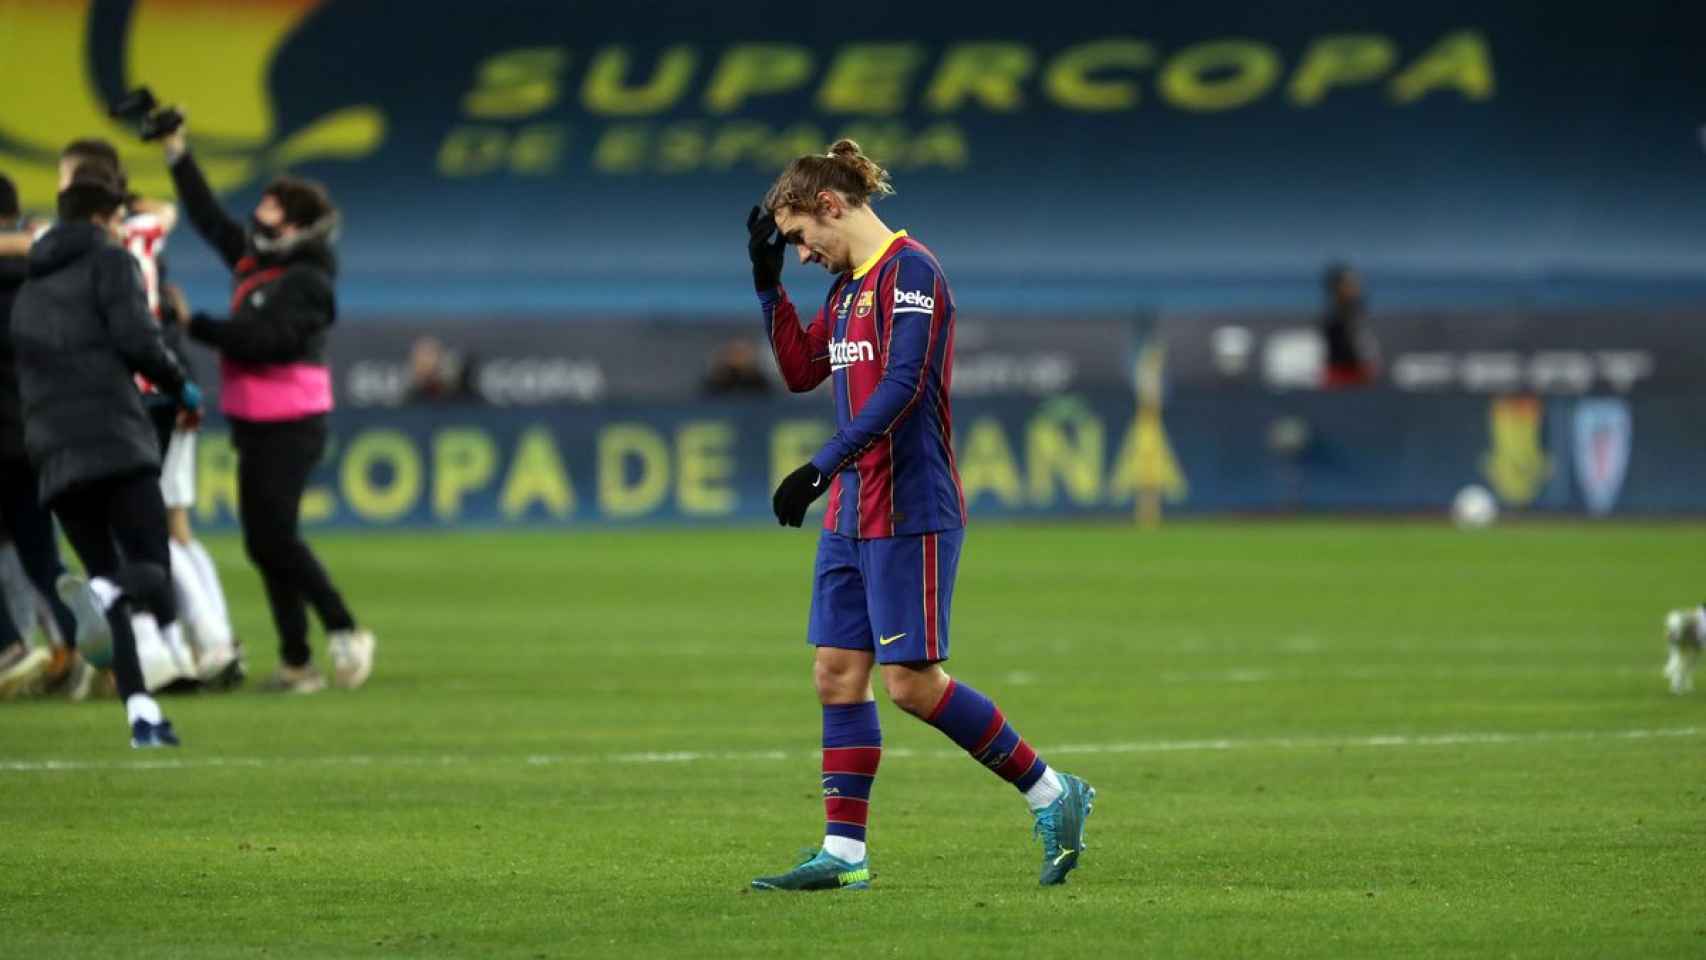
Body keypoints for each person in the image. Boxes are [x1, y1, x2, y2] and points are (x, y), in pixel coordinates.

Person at [743, 140, 1096, 891]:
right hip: (850, 510)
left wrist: (818, 465)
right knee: (836, 672)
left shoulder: (914, 275)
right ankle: (843, 856)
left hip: (910, 506)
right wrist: (768, 287)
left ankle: (1052, 791)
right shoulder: (843, 291)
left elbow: (903, 387)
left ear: (831, 207)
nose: (802, 254)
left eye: (801, 238)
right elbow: (804, 372)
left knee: (910, 683)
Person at [160, 117, 375, 693]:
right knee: (265, 541)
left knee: (273, 538)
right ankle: (297, 662)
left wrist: (195, 324)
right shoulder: (260, 263)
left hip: (293, 420)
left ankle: (344, 628)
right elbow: (207, 218)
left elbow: (270, 342)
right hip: (256, 419)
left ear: (297, 221)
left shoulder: (307, 279)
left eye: (272, 206)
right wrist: (177, 151)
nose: (260, 212)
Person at [10, 160, 200, 745]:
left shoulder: (29, 288)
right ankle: (104, 593)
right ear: (102, 218)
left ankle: (141, 712)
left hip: (52, 454)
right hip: (115, 438)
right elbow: (136, 338)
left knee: (102, 575)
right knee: (150, 571)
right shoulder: (111, 262)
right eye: (118, 219)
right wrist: (178, 382)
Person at [57, 139, 234, 691]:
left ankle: (166, 649)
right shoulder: (147, 227)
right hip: (162, 381)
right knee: (163, 525)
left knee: (134, 530)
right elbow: (167, 211)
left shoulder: (80, 244)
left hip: (126, 388)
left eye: (68, 179)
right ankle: (203, 641)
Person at [0, 171, 87, 698]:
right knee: (41, 553)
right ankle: (81, 649)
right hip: (39, 436)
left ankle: (10, 646)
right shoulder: (50, 277)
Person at [1320, 261, 1376, 388]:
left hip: (1360, 374)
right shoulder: (1334, 318)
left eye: (1355, 283)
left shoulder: (1359, 313)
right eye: (1349, 284)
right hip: (1341, 374)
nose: (1356, 287)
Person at [1663, 605, 1701, 695]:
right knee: (1681, 661)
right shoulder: (1675, 621)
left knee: (1688, 662)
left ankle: (1684, 683)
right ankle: (1676, 686)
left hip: (1691, 640)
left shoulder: (1695, 623)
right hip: (1684, 640)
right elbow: (1671, 638)